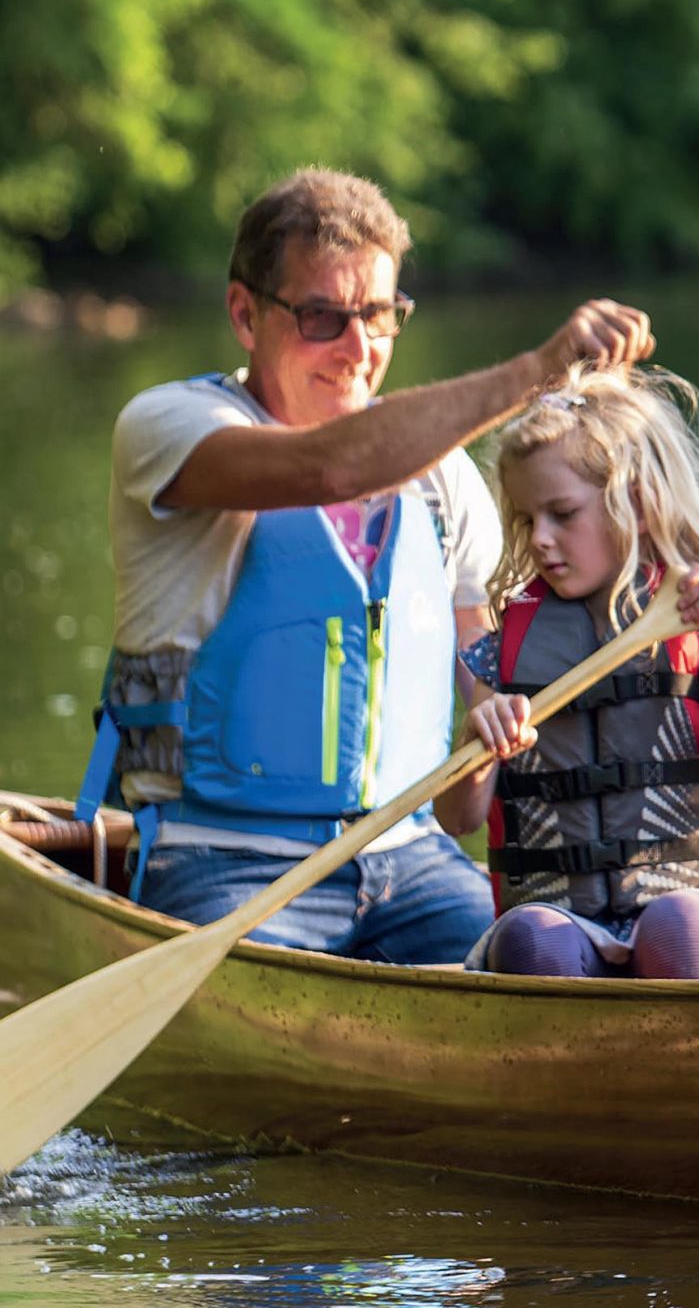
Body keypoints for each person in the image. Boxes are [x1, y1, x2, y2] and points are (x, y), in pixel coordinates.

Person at [83, 166, 654, 962]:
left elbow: (473, 710)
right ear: (246, 315)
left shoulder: (443, 478)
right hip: (219, 855)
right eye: (323, 316)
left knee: (533, 966)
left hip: (409, 859)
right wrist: (536, 372)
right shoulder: (169, 427)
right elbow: (330, 469)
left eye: (380, 316)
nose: (360, 349)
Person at [440, 368, 699, 979]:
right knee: (531, 939)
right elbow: (458, 818)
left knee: (676, 928)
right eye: (528, 521)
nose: (543, 540)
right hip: (564, 921)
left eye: (562, 514)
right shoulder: (506, 650)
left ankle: (696, 1069)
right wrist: (481, 742)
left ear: (633, 502)